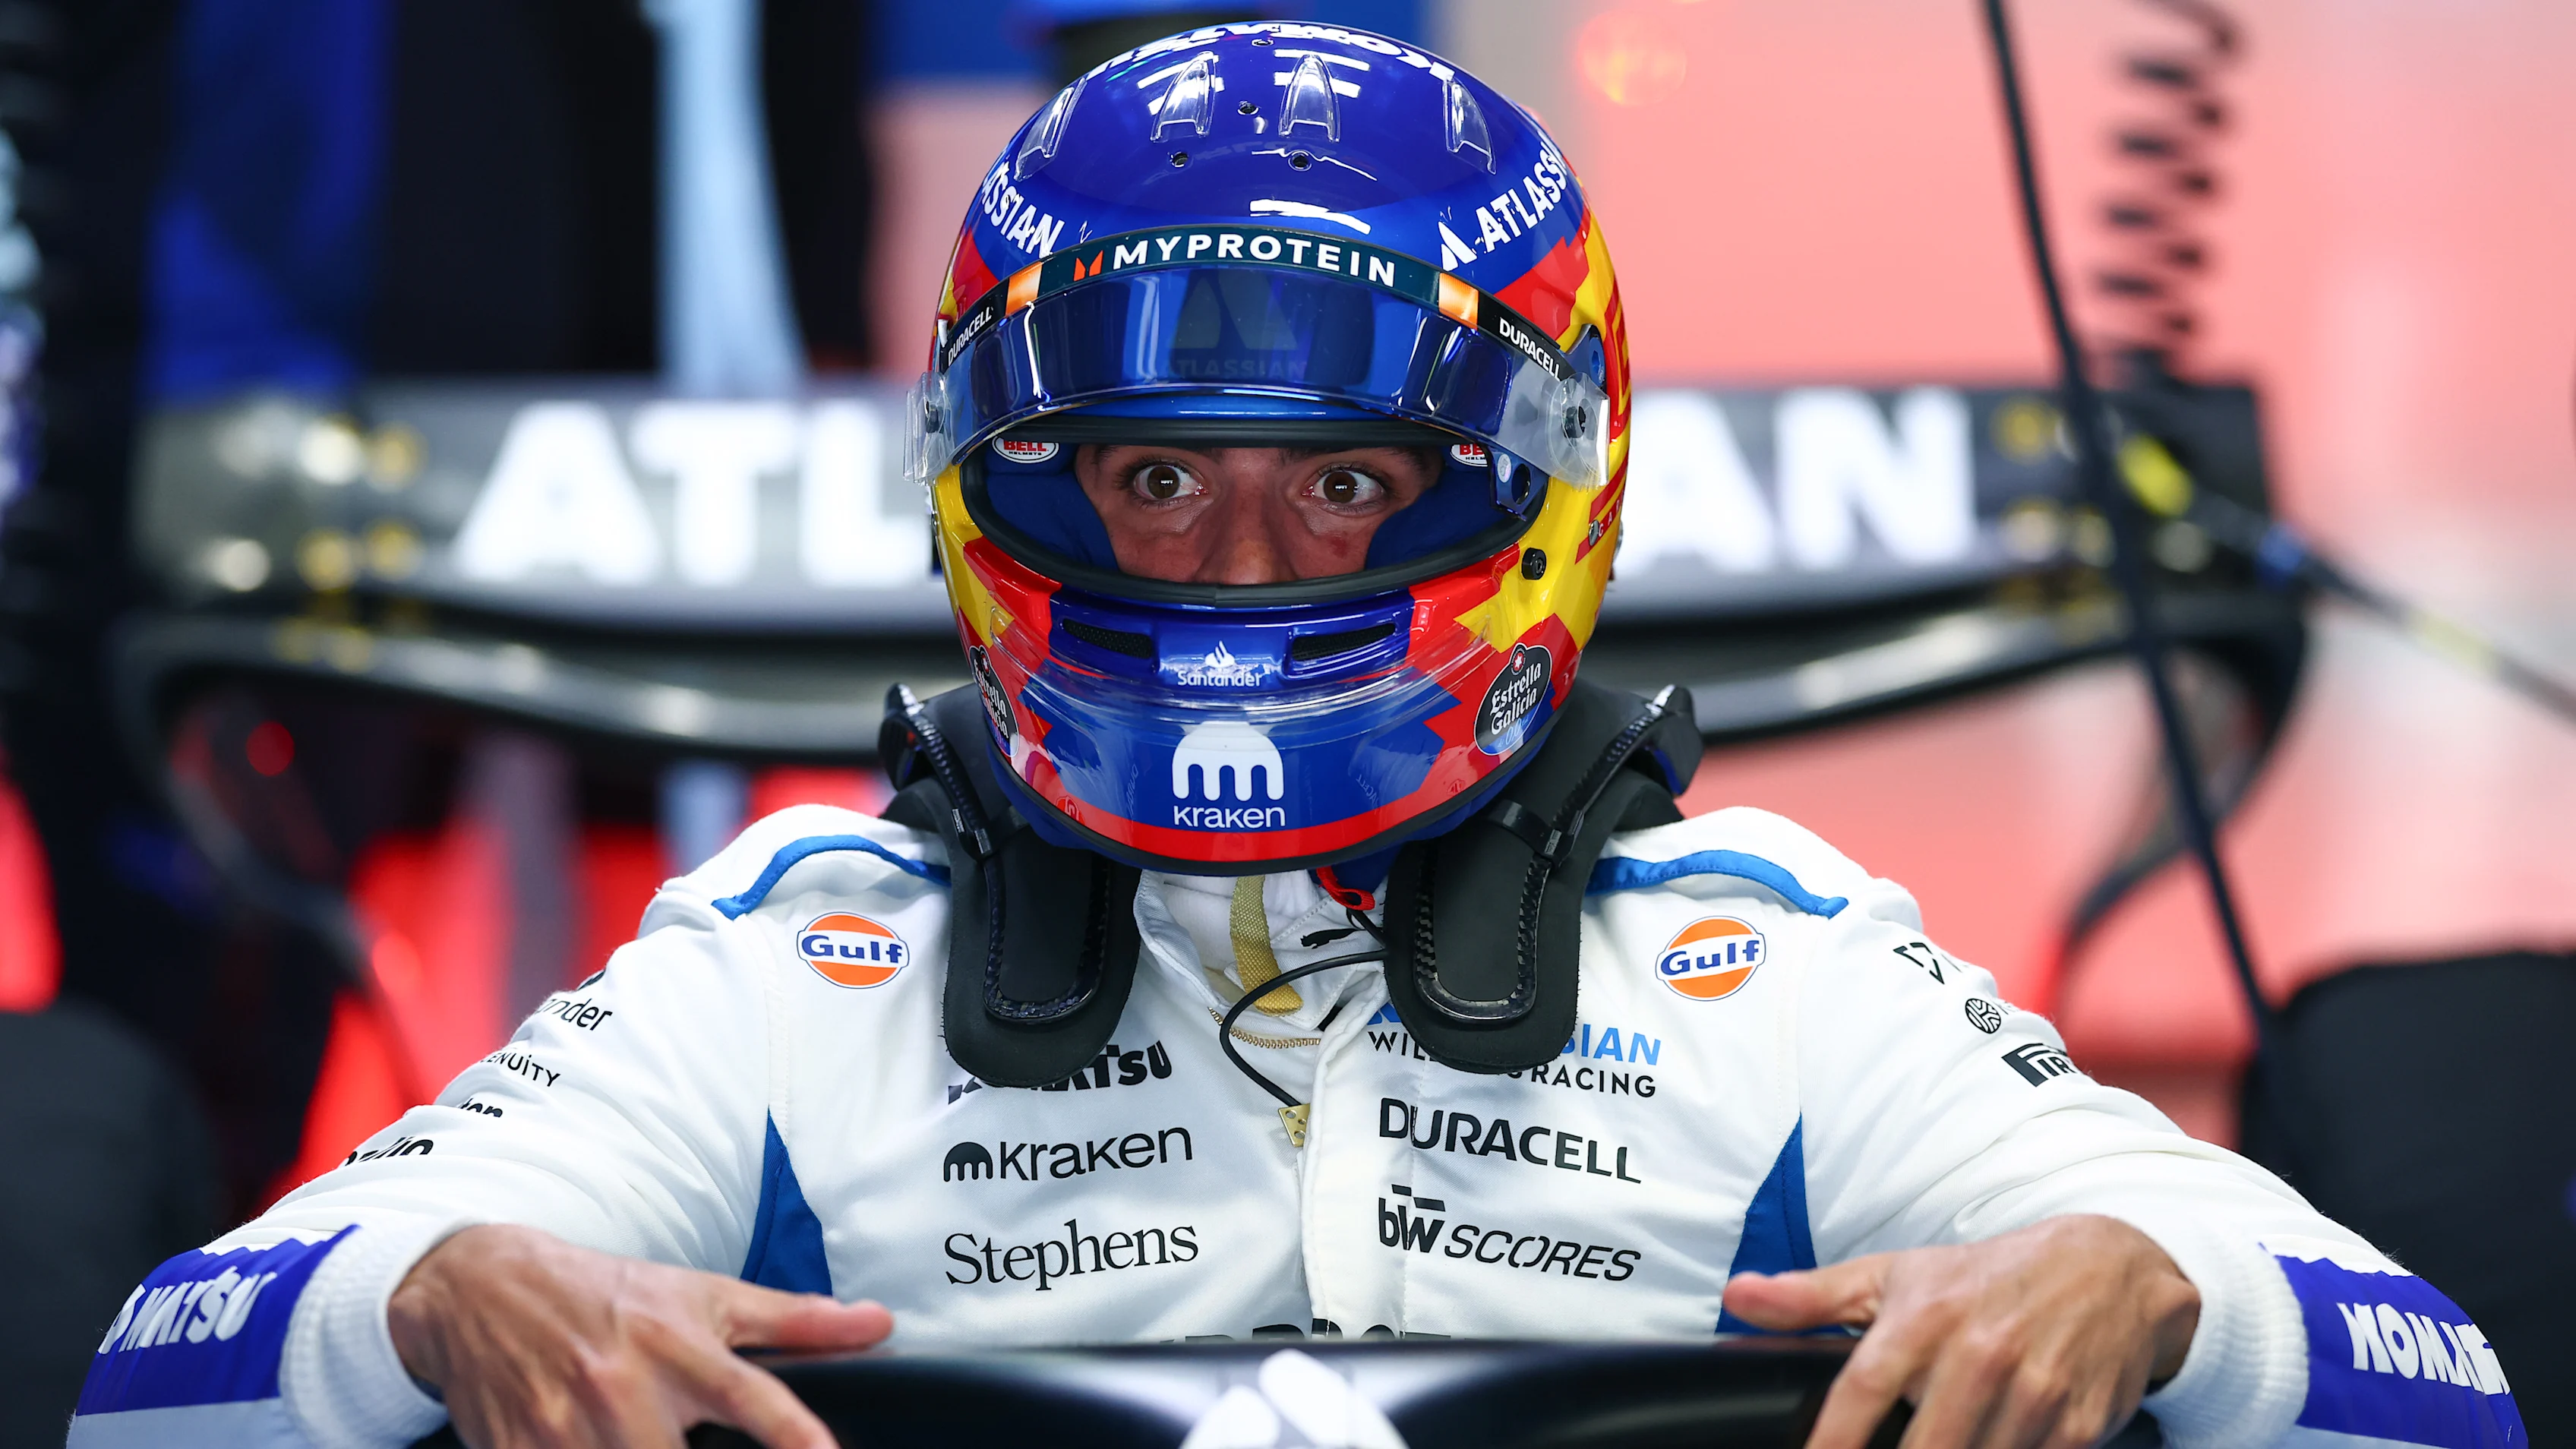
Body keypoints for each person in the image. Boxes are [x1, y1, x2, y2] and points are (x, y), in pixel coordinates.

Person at [71, 22, 2521, 1449]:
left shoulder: (1758, 963)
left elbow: (2439, 1381)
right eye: (1152, 478)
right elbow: (153, 1375)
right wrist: (430, 1292)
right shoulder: (806, 955)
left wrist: (2154, 1281)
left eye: (1343, 480)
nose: (1241, 564)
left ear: (1530, 490)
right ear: (1005, 486)